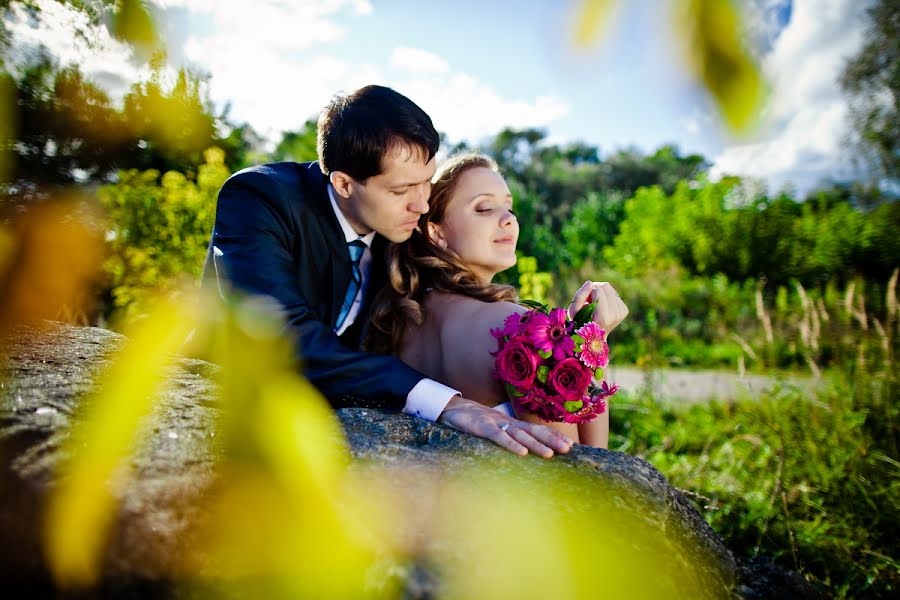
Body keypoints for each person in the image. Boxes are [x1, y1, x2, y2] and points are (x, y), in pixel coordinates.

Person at [203, 85, 574, 458]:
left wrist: (565, 335)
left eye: (427, 180)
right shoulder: (260, 199)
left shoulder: (400, 231)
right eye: (402, 190)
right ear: (344, 184)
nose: (423, 203)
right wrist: (444, 403)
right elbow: (279, 334)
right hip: (221, 407)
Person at [366, 153, 628, 449]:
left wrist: (569, 342)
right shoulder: (523, 331)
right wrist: (590, 342)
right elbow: (585, 465)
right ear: (435, 232)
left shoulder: (396, 323)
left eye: (509, 207)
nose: (509, 220)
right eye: (485, 208)